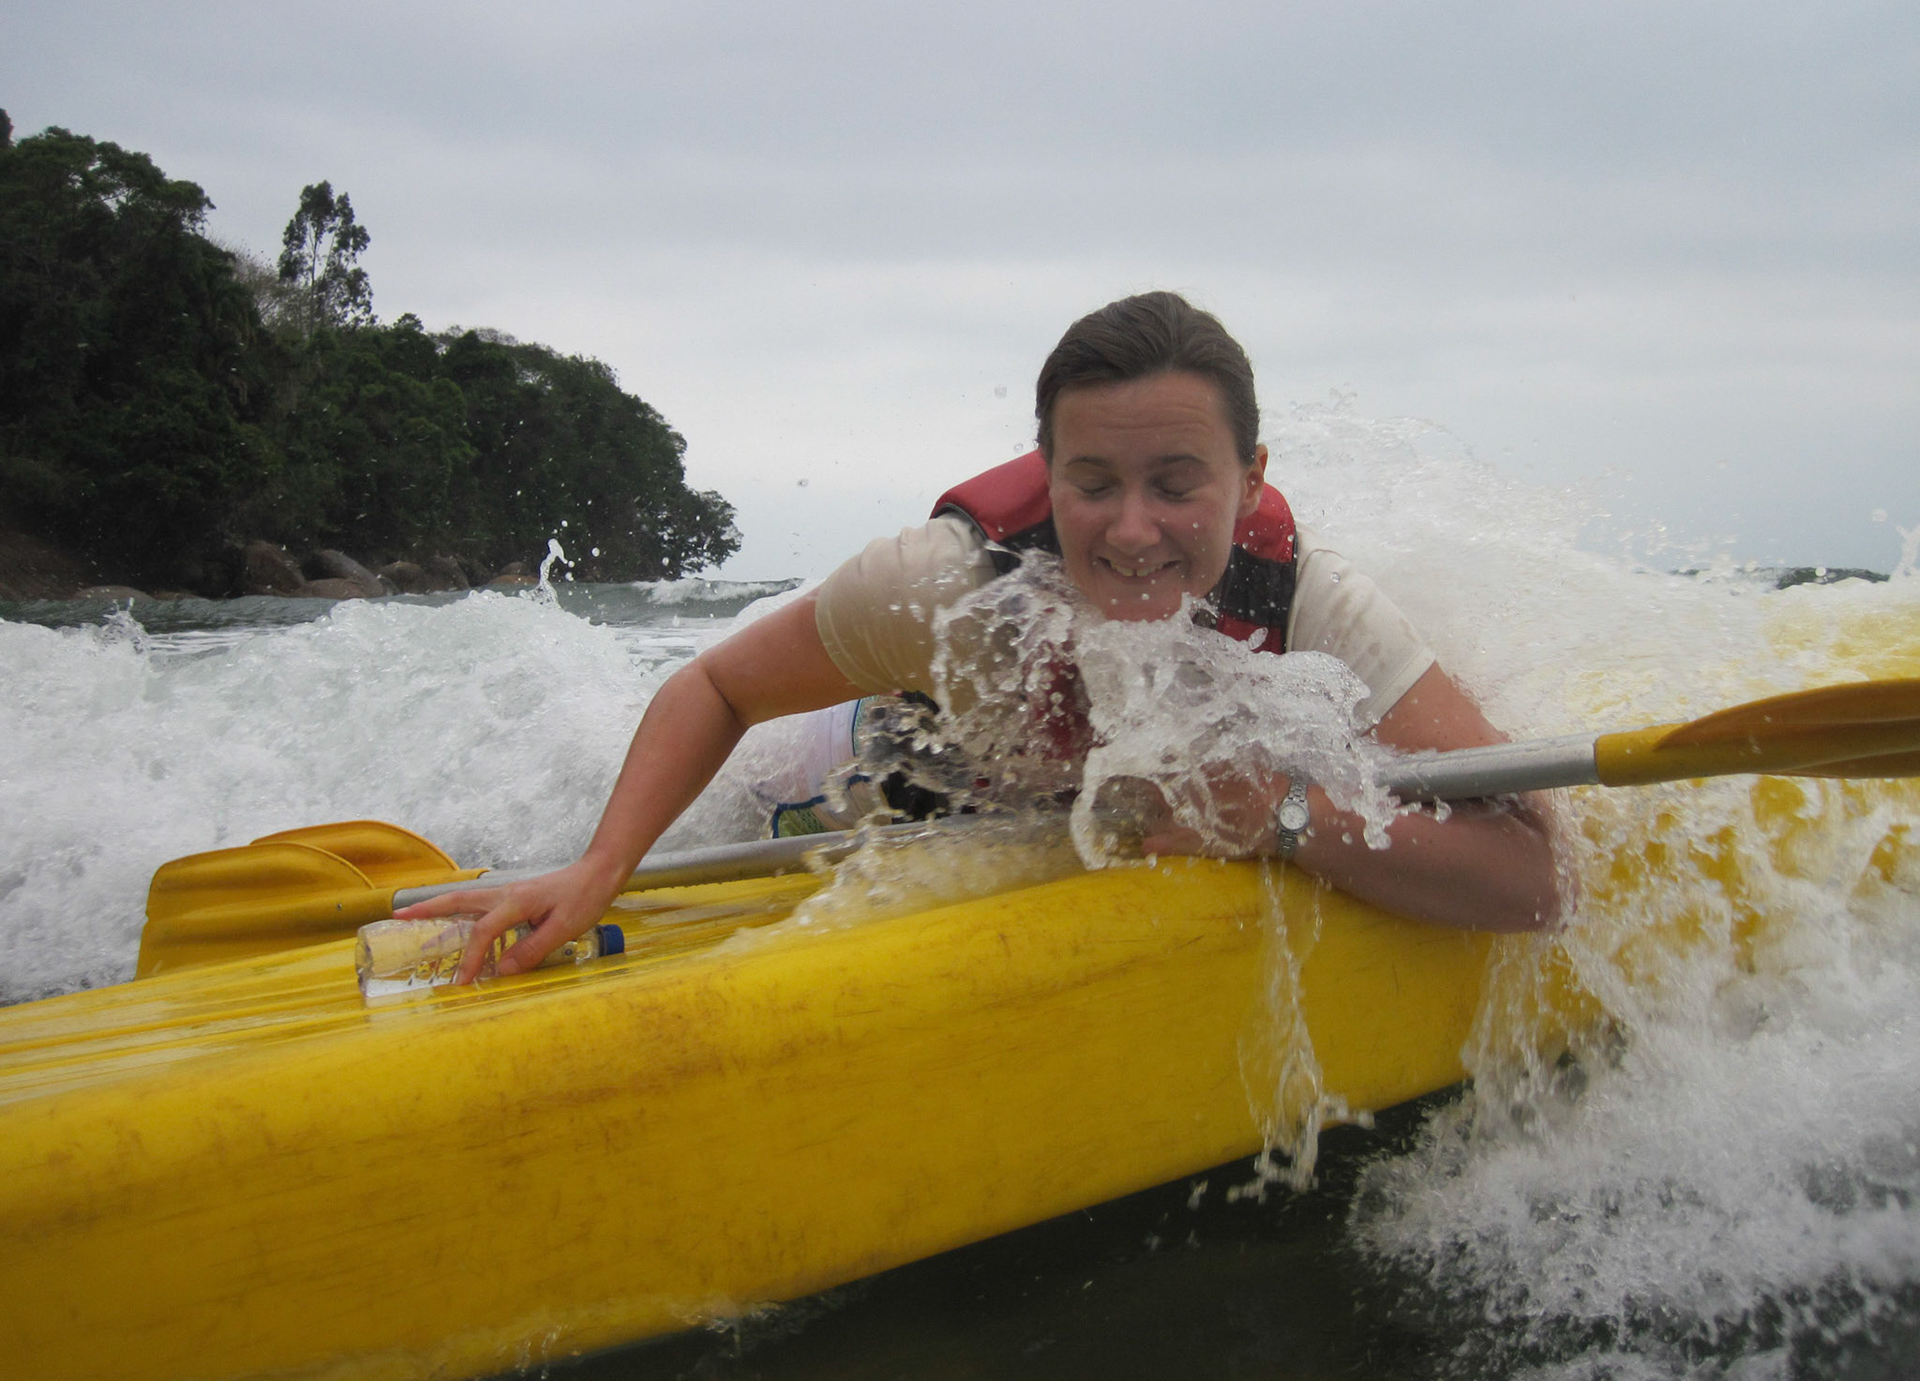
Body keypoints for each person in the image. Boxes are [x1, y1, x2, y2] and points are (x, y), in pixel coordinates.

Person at [402, 293, 1564, 980]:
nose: (1134, 529)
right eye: (1092, 482)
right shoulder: (941, 589)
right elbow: (716, 685)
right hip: (854, 776)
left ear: (1251, 475)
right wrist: (603, 869)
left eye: (1178, 483)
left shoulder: (1313, 605)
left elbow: (1539, 872)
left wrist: (1282, 813)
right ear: (1048, 472)